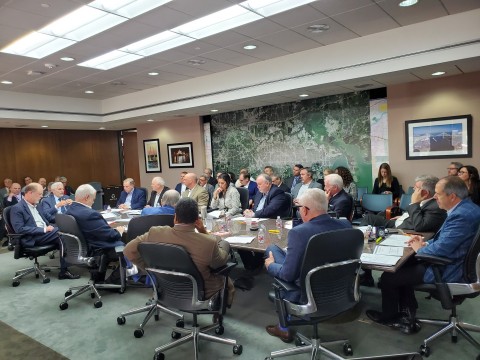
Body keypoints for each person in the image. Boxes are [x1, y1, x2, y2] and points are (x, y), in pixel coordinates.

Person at [366, 176, 480, 335]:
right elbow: (448, 241)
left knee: (388, 277)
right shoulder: (468, 208)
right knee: (404, 266)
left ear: (452, 196)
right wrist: (425, 243)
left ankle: (390, 317)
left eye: (438, 194)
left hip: (448, 269)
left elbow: (441, 250)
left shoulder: (461, 216)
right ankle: (408, 313)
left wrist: (420, 249)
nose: (434, 197)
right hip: (456, 261)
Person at [264, 188, 352, 342]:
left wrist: (271, 265)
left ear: (304, 210)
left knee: (274, 259)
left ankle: (283, 327)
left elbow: (287, 275)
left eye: (299, 209)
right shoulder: (345, 224)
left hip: (309, 292)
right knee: (273, 248)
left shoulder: (299, 233)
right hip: (340, 289)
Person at [124, 198, 234, 305]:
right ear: (197, 220)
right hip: (199, 293)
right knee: (226, 277)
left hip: (165, 286)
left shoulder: (155, 233)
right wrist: (205, 232)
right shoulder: (208, 242)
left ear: (175, 217)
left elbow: (128, 251)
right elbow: (221, 262)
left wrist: (151, 270)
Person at [360, 175, 447, 287]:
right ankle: (365, 273)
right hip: (403, 221)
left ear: (425, 193)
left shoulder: (436, 206)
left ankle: (366, 272)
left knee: (375, 236)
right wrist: (404, 216)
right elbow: (417, 214)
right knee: (369, 218)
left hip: (404, 229)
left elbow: (421, 225)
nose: (413, 191)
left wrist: (414, 204)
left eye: (416, 188)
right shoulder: (426, 201)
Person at [10, 183, 79, 280]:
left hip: (45, 233)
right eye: (39, 194)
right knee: (63, 233)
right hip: (33, 237)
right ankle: (65, 270)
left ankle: (67, 267)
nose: (42, 196)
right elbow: (19, 229)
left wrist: (48, 226)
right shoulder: (17, 208)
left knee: (64, 230)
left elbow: (44, 220)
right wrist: (44, 229)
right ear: (30, 193)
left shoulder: (36, 205)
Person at [66, 184, 125, 283]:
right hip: (97, 249)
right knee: (130, 249)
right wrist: (118, 231)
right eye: (93, 199)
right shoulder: (90, 214)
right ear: (87, 197)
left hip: (80, 249)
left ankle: (98, 280)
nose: (93, 202)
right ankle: (113, 282)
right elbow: (110, 236)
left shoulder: (70, 210)